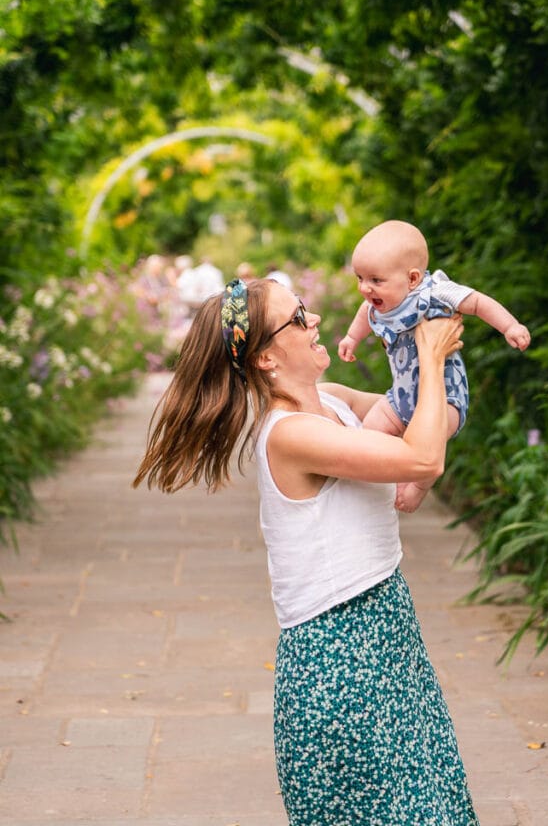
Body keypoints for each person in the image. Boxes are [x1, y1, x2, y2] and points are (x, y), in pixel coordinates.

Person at [133, 277, 479, 826]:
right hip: (338, 662)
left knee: (431, 804)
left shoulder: (335, 404)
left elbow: (413, 412)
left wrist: (411, 332)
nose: (314, 319)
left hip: (388, 633)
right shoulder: (289, 434)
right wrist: (432, 360)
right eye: (298, 317)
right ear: (267, 357)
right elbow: (422, 458)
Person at [338, 220, 531, 512]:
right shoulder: (377, 303)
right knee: (372, 429)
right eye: (360, 278)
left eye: (375, 280)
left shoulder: (436, 292)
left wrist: (510, 326)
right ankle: (381, 479)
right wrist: (352, 338)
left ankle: (418, 486)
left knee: (432, 444)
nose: (365, 288)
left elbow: (478, 302)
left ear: (413, 279)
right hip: (401, 397)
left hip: (445, 397)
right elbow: (365, 313)